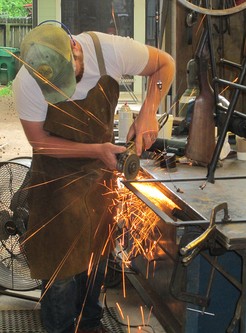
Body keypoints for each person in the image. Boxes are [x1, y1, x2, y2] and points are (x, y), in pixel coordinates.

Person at [12, 23, 175, 333]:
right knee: (60, 268)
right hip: (54, 180)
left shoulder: (109, 51)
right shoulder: (27, 80)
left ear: (74, 47)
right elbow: (40, 142)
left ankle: (89, 323)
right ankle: (59, 327)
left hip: (99, 176)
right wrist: (95, 149)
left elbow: (165, 63)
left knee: (97, 255)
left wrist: (148, 111)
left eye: (68, 78)